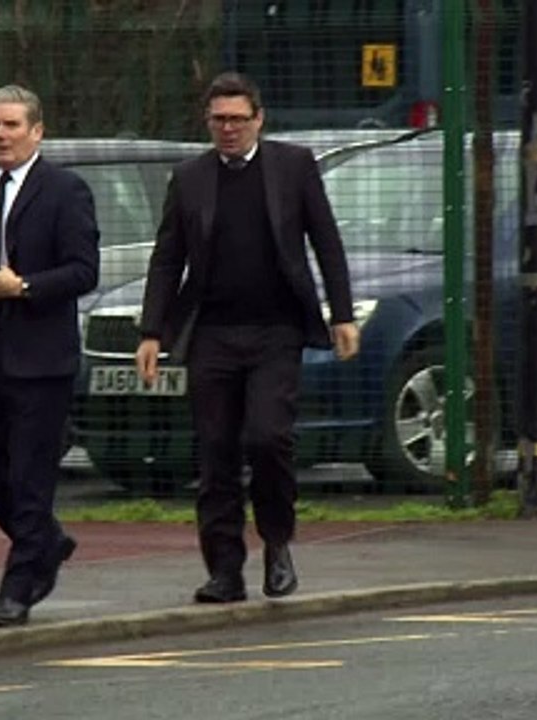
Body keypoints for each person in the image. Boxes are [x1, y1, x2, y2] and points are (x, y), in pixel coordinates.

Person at [134, 72, 360, 603]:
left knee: (267, 438)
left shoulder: (293, 167)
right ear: (207, 122)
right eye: (219, 120)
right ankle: (224, 570)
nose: (229, 129)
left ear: (259, 119)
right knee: (214, 453)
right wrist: (152, 331)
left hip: (276, 330)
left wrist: (342, 314)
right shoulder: (189, 178)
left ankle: (277, 543)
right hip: (212, 332)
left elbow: (326, 242)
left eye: (238, 119)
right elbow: (168, 258)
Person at [0, 84, 100, 626]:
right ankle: (46, 542)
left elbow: (84, 270)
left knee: (32, 474)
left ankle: (19, 585)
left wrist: (24, 286)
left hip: (39, 359)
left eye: (11, 126)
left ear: (37, 131)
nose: (0, 136)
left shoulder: (64, 191)